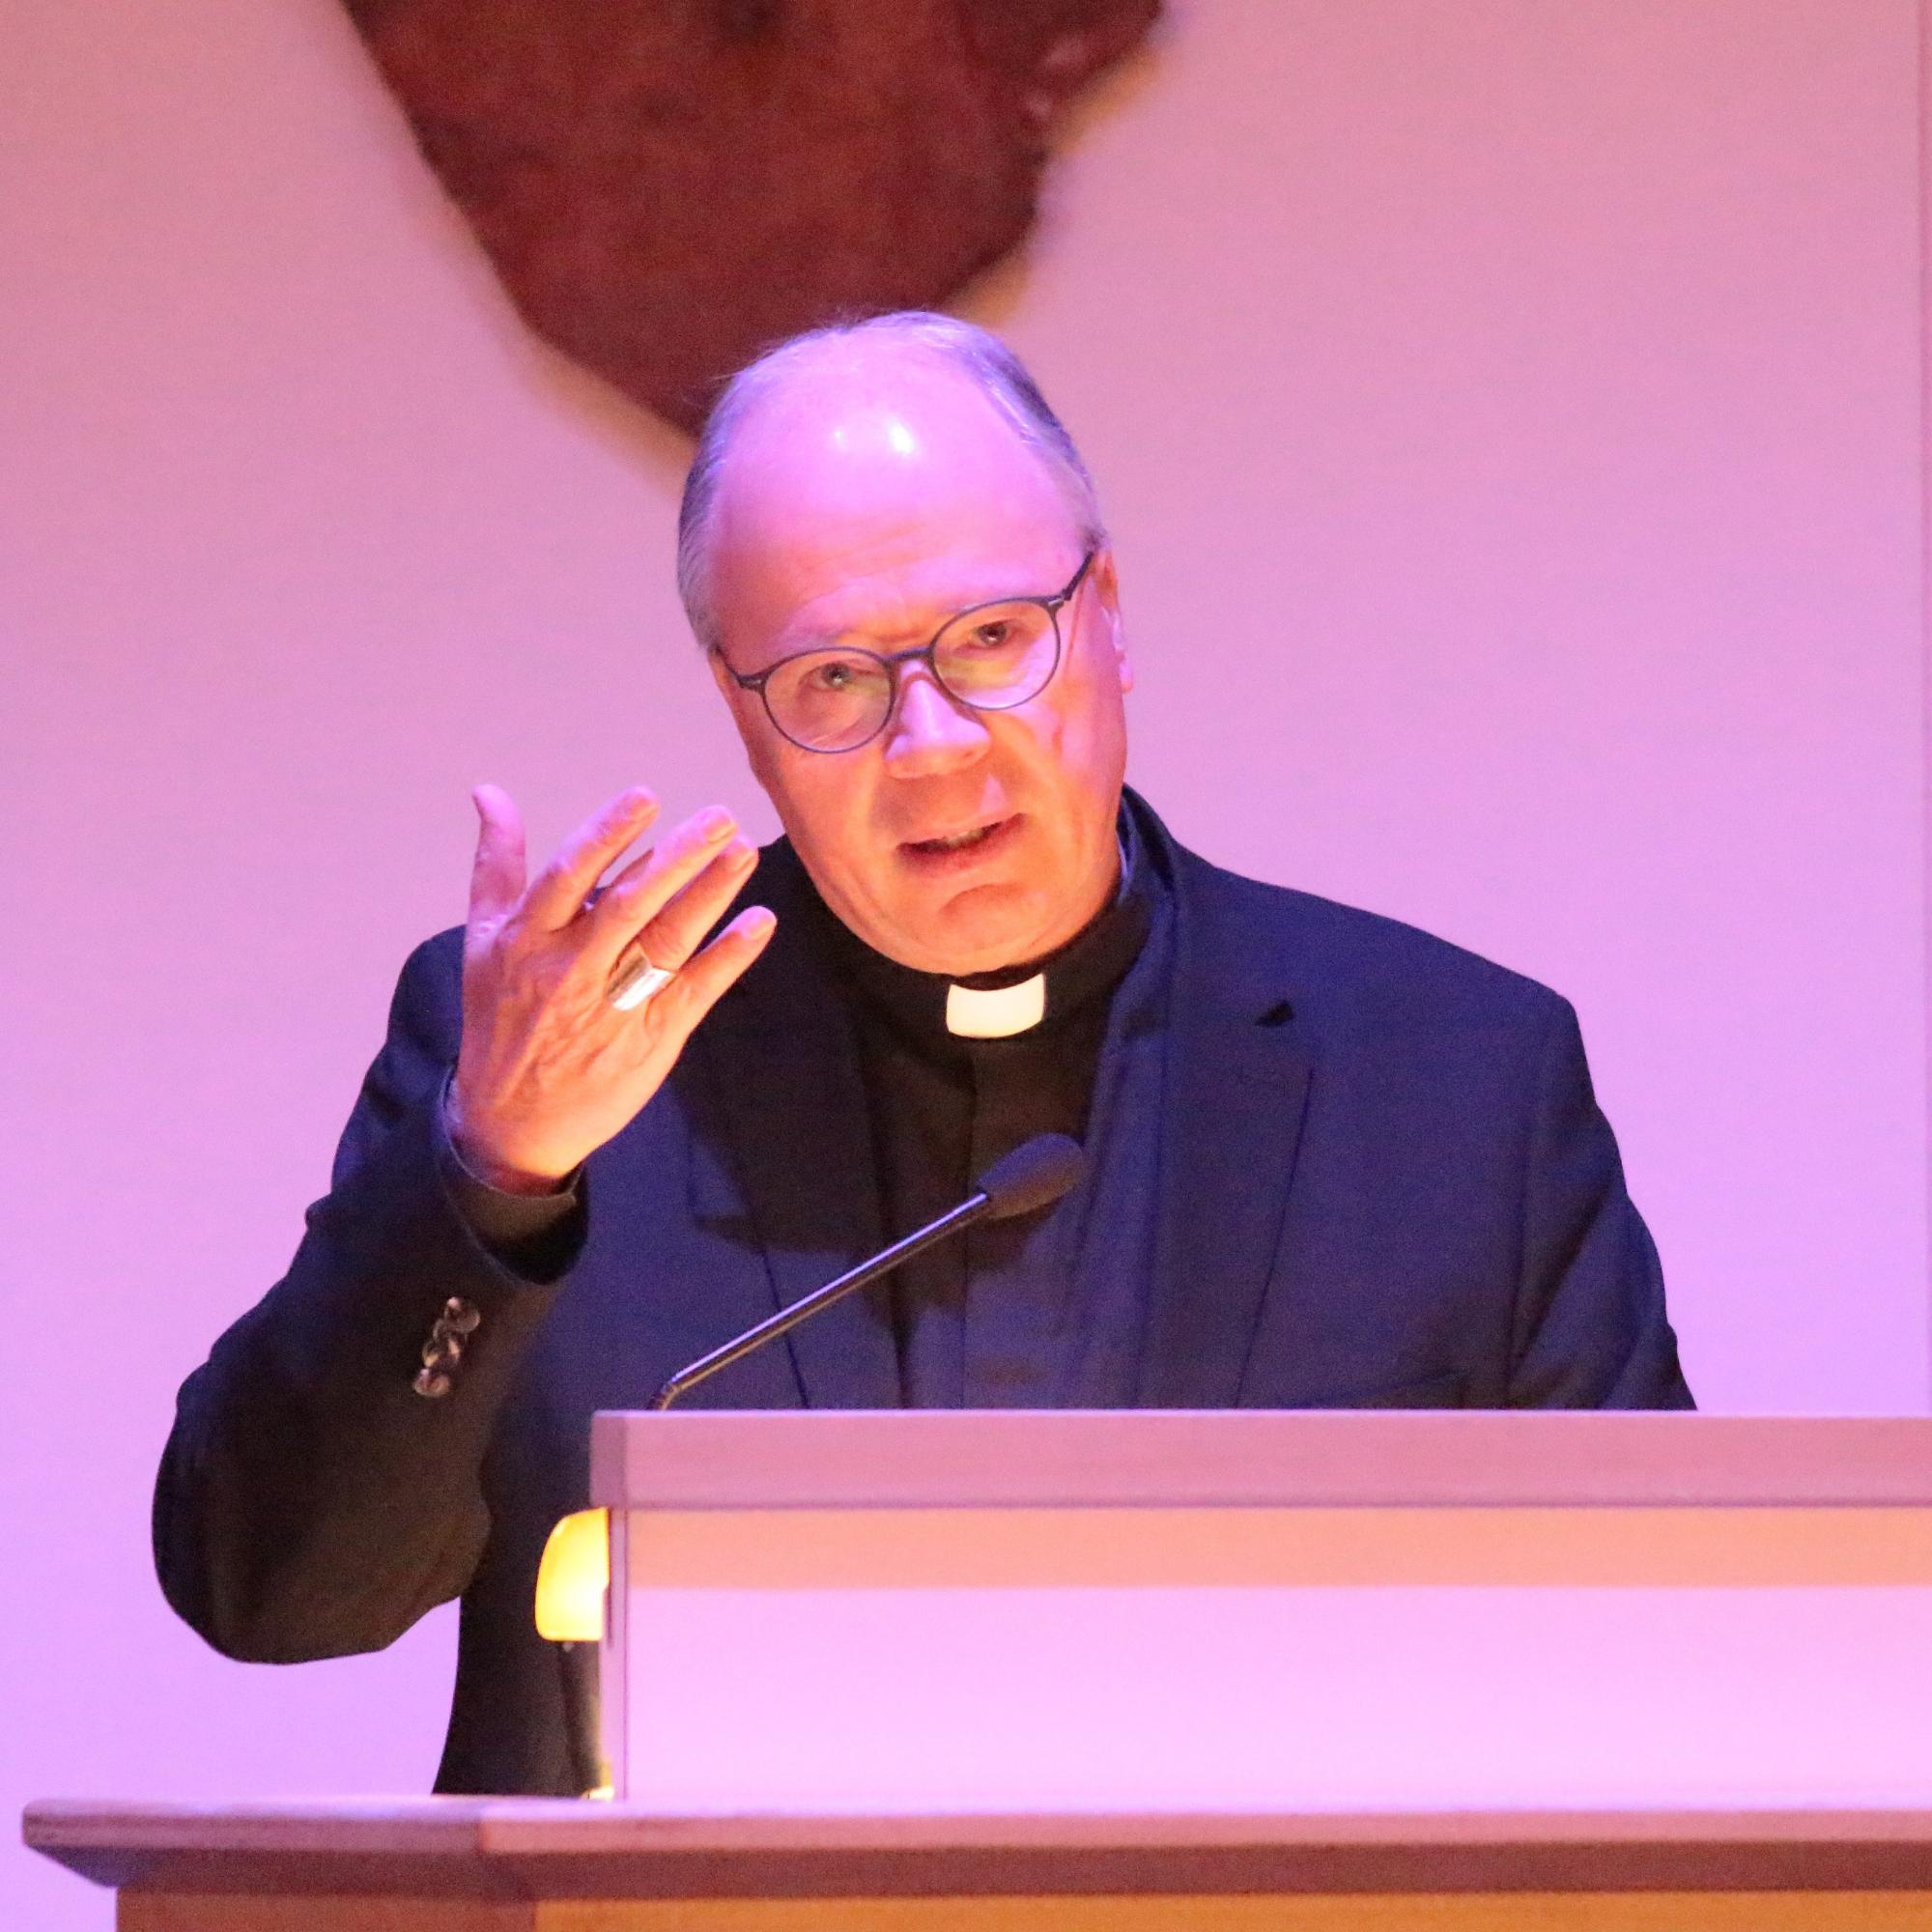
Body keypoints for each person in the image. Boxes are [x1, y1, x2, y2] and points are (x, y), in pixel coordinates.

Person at [155, 312, 1692, 1798]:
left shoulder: (1455, 1086)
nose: (935, 744)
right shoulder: (556, 1057)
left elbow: (1654, 1668)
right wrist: (491, 1187)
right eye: (834, 679)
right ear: (741, 715)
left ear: (1108, 620)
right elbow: (274, 1594)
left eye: (994, 640)